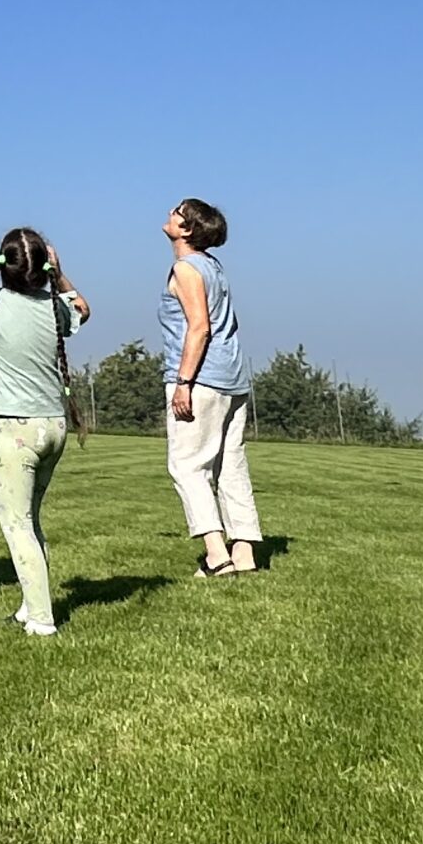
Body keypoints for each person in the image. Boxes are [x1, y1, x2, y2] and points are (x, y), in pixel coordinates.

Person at [0, 227, 89, 634]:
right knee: (31, 520)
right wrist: (62, 274)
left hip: (16, 430)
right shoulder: (55, 305)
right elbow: (83, 309)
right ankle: (29, 603)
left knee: (16, 525)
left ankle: (41, 617)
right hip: (54, 426)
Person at [161, 198, 261, 577]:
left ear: (187, 229)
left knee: (187, 465)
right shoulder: (213, 266)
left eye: (176, 212)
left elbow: (199, 327)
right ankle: (245, 552)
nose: (169, 214)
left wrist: (183, 382)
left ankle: (217, 554)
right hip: (233, 378)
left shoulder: (186, 269)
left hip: (202, 378)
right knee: (231, 465)